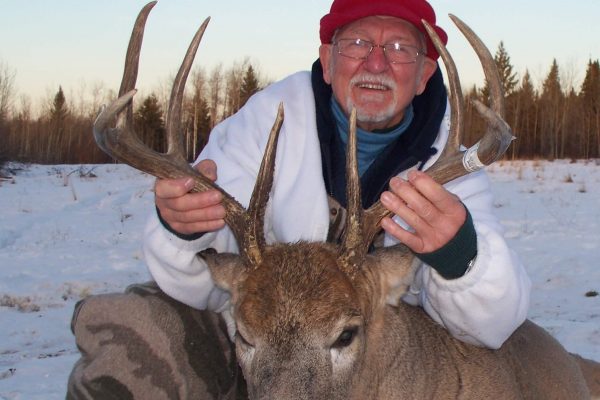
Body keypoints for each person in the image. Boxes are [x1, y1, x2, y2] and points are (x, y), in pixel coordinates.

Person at [67, 0, 531, 398]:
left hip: (370, 354)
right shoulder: (265, 122)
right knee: (133, 332)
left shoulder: (452, 166)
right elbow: (201, 284)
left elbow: (492, 325)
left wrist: (460, 256)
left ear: (426, 74)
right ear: (327, 61)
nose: (376, 63)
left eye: (399, 49)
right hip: (258, 342)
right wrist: (186, 227)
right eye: (357, 44)